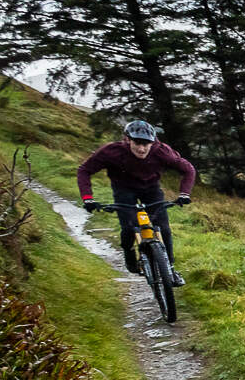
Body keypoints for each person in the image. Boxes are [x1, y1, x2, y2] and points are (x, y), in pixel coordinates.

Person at [77, 120, 197, 285]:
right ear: (127, 140)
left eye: (146, 144)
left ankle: (170, 269)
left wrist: (184, 193)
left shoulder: (161, 151)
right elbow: (84, 170)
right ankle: (128, 253)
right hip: (123, 189)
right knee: (128, 226)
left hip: (151, 188)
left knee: (164, 229)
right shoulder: (112, 152)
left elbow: (188, 169)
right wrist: (87, 198)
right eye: (137, 143)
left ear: (153, 142)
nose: (142, 149)